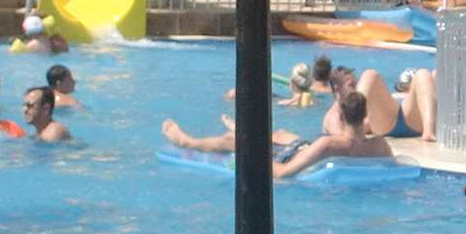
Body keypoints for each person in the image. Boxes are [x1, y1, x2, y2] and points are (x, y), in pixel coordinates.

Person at [164, 91, 393, 179]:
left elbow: (282, 173)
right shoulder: (380, 145)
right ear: (366, 115)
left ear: (341, 116)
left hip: (294, 155)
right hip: (303, 148)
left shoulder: (328, 144)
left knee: (233, 141)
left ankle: (187, 141)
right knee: (282, 134)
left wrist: (251, 153)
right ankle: (239, 129)